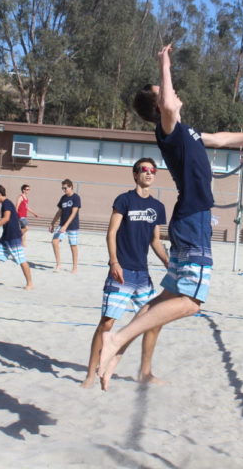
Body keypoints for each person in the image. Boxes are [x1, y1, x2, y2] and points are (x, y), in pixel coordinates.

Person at [97, 43, 243, 386]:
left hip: (191, 218)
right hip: (193, 218)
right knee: (192, 301)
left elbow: (218, 140)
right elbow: (166, 101)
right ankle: (115, 339)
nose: (172, 94)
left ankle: (117, 352)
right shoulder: (168, 128)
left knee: (167, 298)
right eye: (165, 93)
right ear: (160, 105)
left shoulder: (186, 131)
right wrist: (164, 61)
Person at [81, 157, 169, 390]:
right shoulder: (124, 200)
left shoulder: (157, 207)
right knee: (107, 324)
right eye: (144, 170)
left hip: (143, 276)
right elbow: (111, 233)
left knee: (153, 323)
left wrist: (169, 263)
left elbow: (155, 241)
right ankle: (90, 375)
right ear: (135, 174)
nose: (149, 173)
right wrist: (114, 262)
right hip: (122, 272)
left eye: (153, 171)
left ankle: (145, 373)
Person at [49, 179, 81, 273]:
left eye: (65, 188)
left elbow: (74, 213)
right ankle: (58, 265)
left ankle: (75, 267)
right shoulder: (63, 198)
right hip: (62, 224)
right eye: (62, 188)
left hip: (72, 226)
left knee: (73, 245)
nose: (64, 190)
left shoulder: (76, 197)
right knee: (54, 242)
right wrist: (52, 223)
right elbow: (59, 212)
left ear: (71, 187)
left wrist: (66, 226)